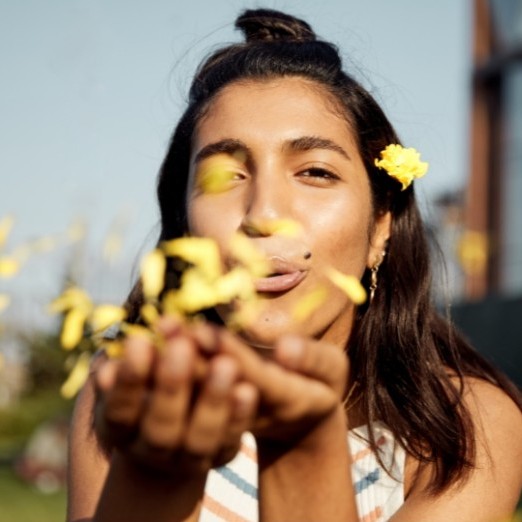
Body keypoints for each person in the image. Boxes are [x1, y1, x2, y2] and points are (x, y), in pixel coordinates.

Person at [67, 8, 522, 522]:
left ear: (380, 225)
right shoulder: (132, 390)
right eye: (225, 177)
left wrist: (302, 448)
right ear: (186, 223)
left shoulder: (465, 427)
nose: (264, 215)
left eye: (315, 172)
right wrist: (151, 481)